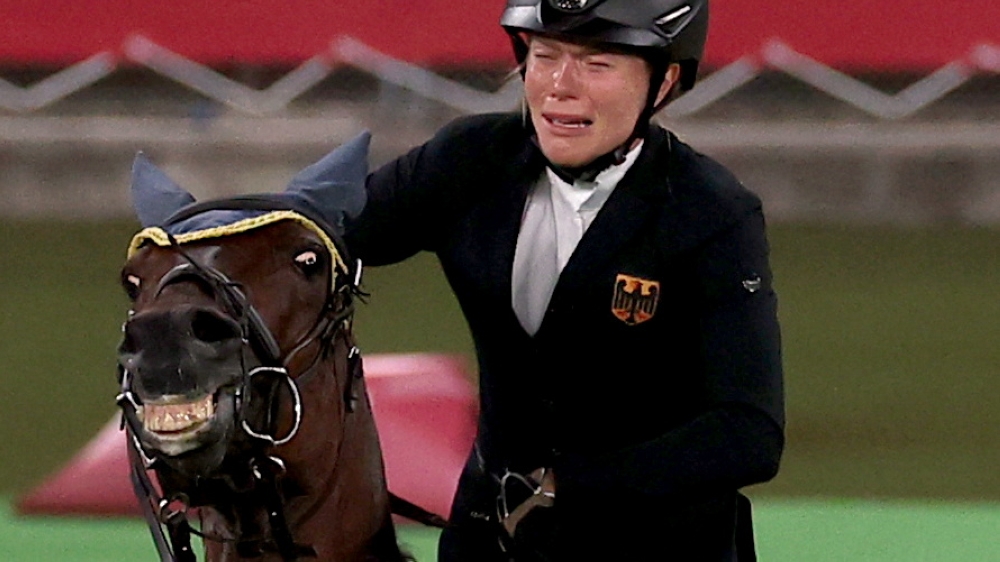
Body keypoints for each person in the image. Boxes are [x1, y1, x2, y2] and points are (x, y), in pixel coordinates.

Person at [343, 0, 784, 560]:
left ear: (665, 81)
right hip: (489, 538)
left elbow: (749, 434)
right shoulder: (470, 160)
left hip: (657, 544)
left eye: (598, 65)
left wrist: (567, 487)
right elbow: (318, 237)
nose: (559, 86)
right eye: (544, 55)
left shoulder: (711, 213)